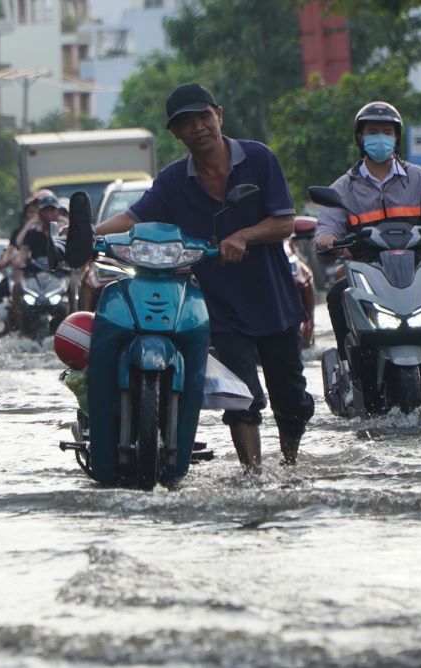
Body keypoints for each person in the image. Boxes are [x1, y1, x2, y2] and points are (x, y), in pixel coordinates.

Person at [95, 82, 314, 473]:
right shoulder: (173, 180)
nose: (198, 127)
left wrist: (244, 236)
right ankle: (253, 475)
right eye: (186, 123)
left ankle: (291, 464)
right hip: (220, 305)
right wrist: (87, 236)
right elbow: (133, 218)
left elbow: (283, 222)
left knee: (292, 399)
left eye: (203, 117)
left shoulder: (260, 160)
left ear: (219, 116)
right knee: (242, 397)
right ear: (175, 133)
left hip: (273, 298)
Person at [315, 102, 421, 387]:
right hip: (367, 273)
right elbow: (327, 227)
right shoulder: (343, 188)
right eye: (373, 131)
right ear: (360, 137)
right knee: (337, 295)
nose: (380, 138)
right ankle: (350, 373)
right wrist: (327, 240)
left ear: (397, 137)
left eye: (387, 131)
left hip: (418, 269)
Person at [4, 195, 67, 335]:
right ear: (40, 214)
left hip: (60, 273)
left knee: (75, 286)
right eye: (46, 211)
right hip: (36, 274)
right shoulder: (32, 233)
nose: (50, 215)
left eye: (53, 211)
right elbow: (23, 251)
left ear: (58, 212)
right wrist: (18, 262)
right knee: (17, 286)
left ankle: (77, 322)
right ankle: (21, 330)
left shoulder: (64, 231)